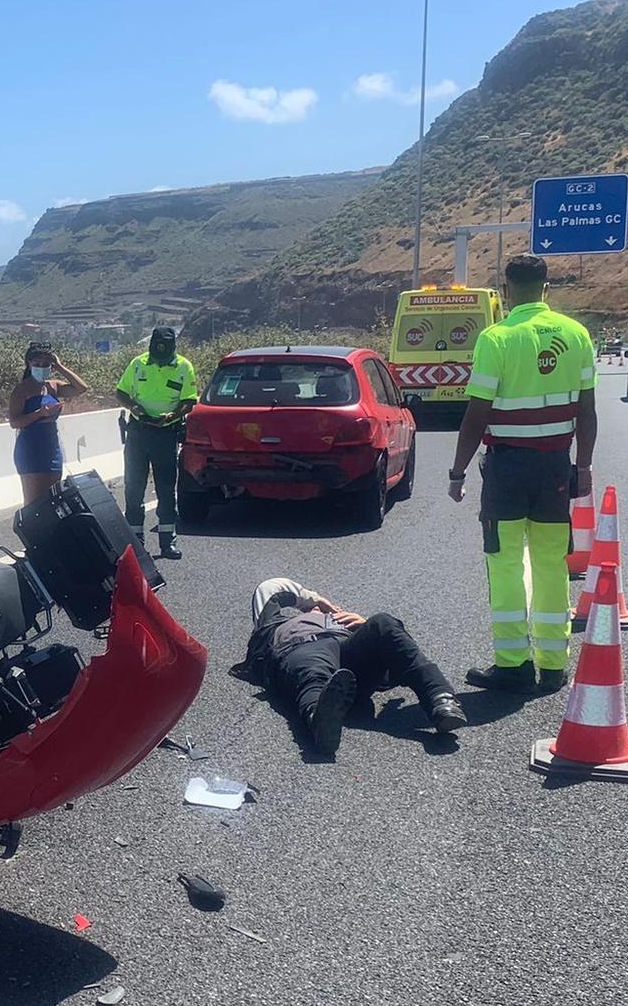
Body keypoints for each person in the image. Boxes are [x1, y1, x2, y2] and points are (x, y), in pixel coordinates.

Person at [446, 254, 597, 696]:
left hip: (508, 470)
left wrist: (457, 472)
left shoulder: (497, 338)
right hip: (554, 467)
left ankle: (512, 664)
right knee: (552, 565)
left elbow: (477, 414)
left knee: (506, 564)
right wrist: (582, 467)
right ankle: (553, 666)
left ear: (507, 289)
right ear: (546, 288)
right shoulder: (576, 334)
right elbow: (587, 412)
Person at [242, 577, 467, 757]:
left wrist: (365, 624)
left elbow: (402, 653)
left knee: (384, 622)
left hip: (350, 654)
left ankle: (441, 699)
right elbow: (270, 588)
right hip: (299, 649)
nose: (319, 613)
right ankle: (320, 718)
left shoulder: (347, 625)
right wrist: (315, 600)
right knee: (313, 670)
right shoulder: (274, 624)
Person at [114, 326, 197, 560]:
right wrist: (134, 407)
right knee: (134, 487)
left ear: (173, 348)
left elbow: (189, 401)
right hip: (138, 432)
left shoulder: (183, 366)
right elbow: (120, 393)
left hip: (165, 434)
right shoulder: (138, 364)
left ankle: (167, 542)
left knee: (166, 488)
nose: (160, 357)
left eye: (165, 352)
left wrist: (173, 415)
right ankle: (135, 542)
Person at [8, 342, 87, 506]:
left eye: (46, 365)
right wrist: (39, 414)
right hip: (31, 450)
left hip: (51, 448)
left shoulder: (53, 386)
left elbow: (81, 388)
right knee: (34, 504)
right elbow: (14, 422)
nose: (42, 368)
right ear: (29, 364)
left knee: (54, 501)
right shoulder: (21, 390)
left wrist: (59, 366)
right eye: (37, 364)